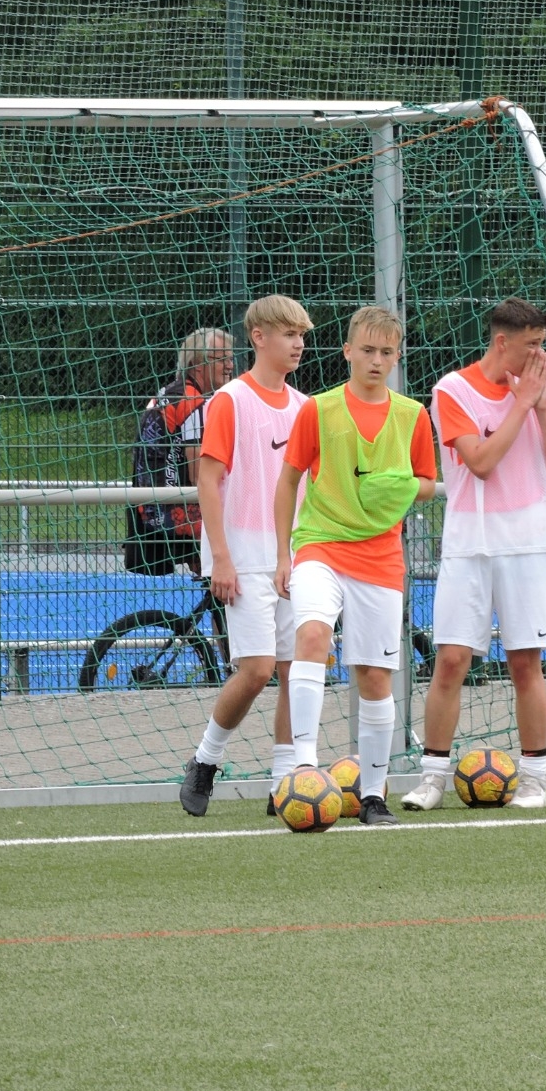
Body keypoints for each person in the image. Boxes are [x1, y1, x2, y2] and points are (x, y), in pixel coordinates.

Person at [402, 299, 546, 811]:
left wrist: (540, 407)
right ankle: (432, 779)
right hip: (470, 544)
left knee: (526, 662)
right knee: (451, 660)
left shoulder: (540, 392)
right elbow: (480, 462)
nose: (541, 354)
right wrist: (521, 404)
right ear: (503, 342)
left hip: (530, 542)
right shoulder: (451, 390)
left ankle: (535, 779)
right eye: (532, 344)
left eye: (543, 343)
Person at [273, 306, 438, 826]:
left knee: (373, 677)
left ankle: (372, 796)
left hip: (380, 559)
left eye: (386, 352)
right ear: (347, 351)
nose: (376, 360)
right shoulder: (318, 410)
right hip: (320, 546)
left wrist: (399, 486)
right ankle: (304, 769)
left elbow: (427, 482)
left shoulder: (413, 415)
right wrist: (283, 554)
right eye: (367, 350)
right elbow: (288, 480)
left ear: (397, 356)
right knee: (311, 637)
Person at [179, 296, 312, 816]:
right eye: (289, 334)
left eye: (302, 335)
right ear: (259, 337)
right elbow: (209, 480)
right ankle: (205, 760)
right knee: (256, 670)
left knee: (296, 671)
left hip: (293, 558)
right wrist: (221, 558)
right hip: (244, 558)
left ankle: (285, 783)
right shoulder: (230, 400)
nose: (299, 344)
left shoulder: (304, 406)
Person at [126, 326, 236, 575]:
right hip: (172, 511)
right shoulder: (192, 401)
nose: (230, 365)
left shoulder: (170, 392)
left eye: (230, 358)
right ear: (197, 364)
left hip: (151, 507)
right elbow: (199, 476)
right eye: (222, 359)